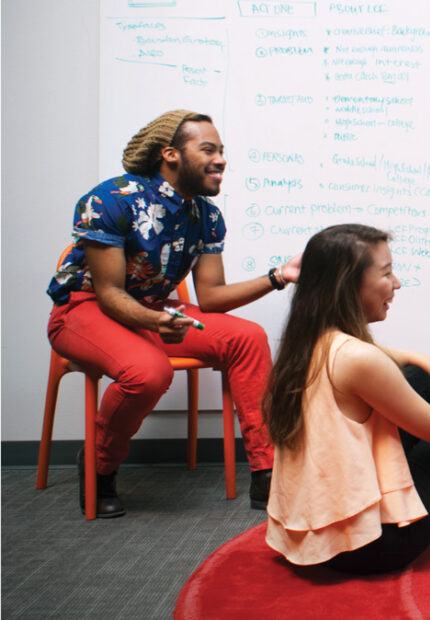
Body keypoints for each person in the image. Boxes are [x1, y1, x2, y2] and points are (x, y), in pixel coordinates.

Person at [47, 110, 301, 517]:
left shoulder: (206, 216)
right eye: (208, 149)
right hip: (85, 309)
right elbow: (110, 293)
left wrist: (278, 276)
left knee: (248, 338)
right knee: (149, 373)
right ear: (171, 155)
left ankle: (267, 472)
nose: (221, 160)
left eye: (222, 151)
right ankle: (99, 464)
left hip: (151, 312)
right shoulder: (110, 199)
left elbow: (212, 297)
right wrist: (155, 322)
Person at [263, 224, 430, 573]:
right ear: (348, 284)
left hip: (328, 533)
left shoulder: (312, 340)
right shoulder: (356, 358)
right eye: (387, 273)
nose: (396, 284)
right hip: (373, 545)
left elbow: (414, 361)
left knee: (419, 380)